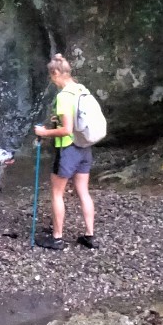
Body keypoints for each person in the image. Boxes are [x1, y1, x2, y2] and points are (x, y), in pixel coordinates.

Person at [32, 53, 96, 250]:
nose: (52, 81)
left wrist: (44, 132)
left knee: (57, 193)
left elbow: (66, 130)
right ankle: (89, 236)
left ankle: (57, 238)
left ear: (57, 73)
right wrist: (58, 121)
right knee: (83, 191)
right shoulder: (81, 89)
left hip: (68, 149)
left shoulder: (63, 97)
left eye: (52, 77)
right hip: (84, 147)